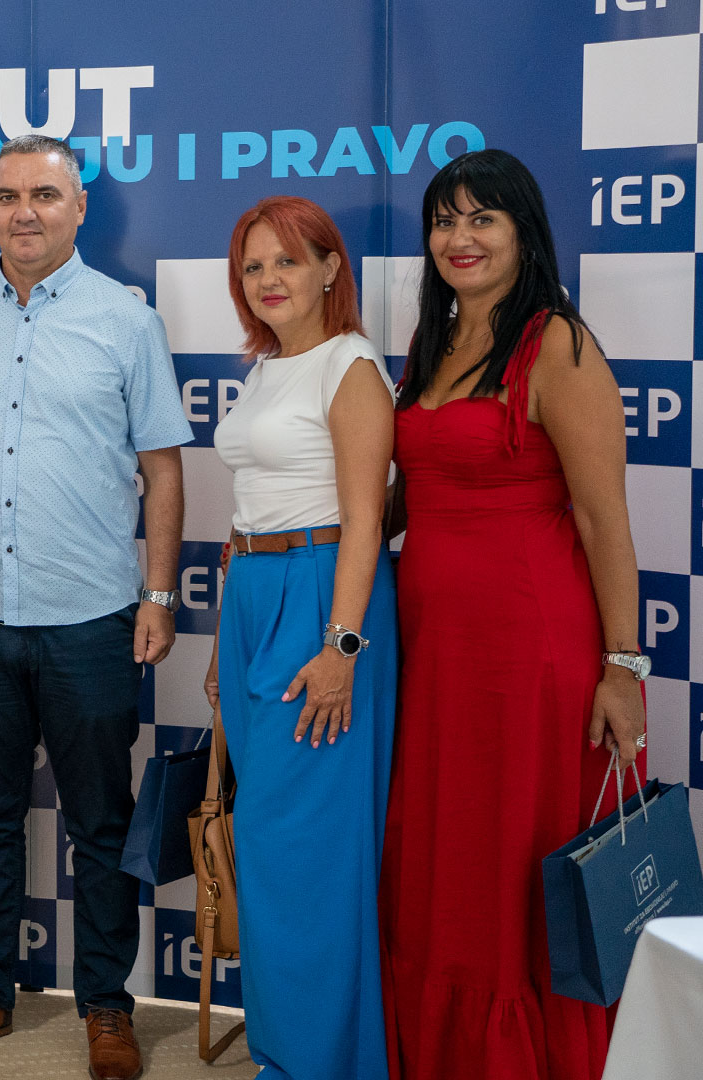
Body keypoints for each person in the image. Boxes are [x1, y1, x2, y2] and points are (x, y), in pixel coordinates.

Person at [0, 134, 191, 1080]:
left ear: (79, 207)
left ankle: (107, 1007)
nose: (23, 211)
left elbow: (162, 470)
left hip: (92, 618)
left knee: (99, 825)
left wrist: (158, 595)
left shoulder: (126, 321)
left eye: (44, 194)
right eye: (6, 196)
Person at [380, 149, 647, 1080]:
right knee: (448, 857)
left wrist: (624, 666)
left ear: (524, 232)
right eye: (444, 220)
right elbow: (408, 497)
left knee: (513, 859)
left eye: (482, 218)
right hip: (434, 653)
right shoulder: (433, 343)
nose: (460, 238)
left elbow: (603, 517)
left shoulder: (557, 344)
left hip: (529, 652)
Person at [205, 196, 396, 1080]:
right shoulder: (268, 368)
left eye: (287, 260)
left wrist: (342, 648)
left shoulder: (350, 365)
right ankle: (284, 1054)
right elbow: (249, 510)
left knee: (303, 848)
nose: (268, 279)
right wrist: (224, 638)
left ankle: (316, 1063)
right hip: (255, 594)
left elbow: (366, 521)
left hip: (322, 597)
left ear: (329, 269)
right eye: (252, 266)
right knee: (269, 845)